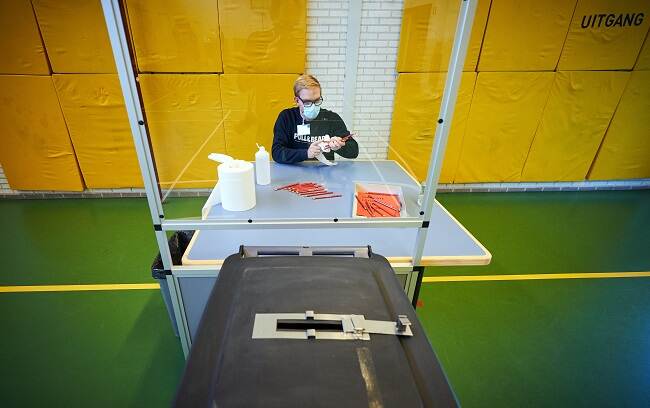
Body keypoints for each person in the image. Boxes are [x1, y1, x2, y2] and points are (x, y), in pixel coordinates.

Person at [272, 74, 359, 164]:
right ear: (297, 101)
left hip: (325, 174)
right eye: (307, 102)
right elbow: (277, 153)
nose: (313, 106)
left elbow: (354, 152)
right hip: (295, 171)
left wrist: (340, 146)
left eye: (317, 101)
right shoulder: (287, 117)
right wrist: (306, 153)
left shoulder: (331, 118)